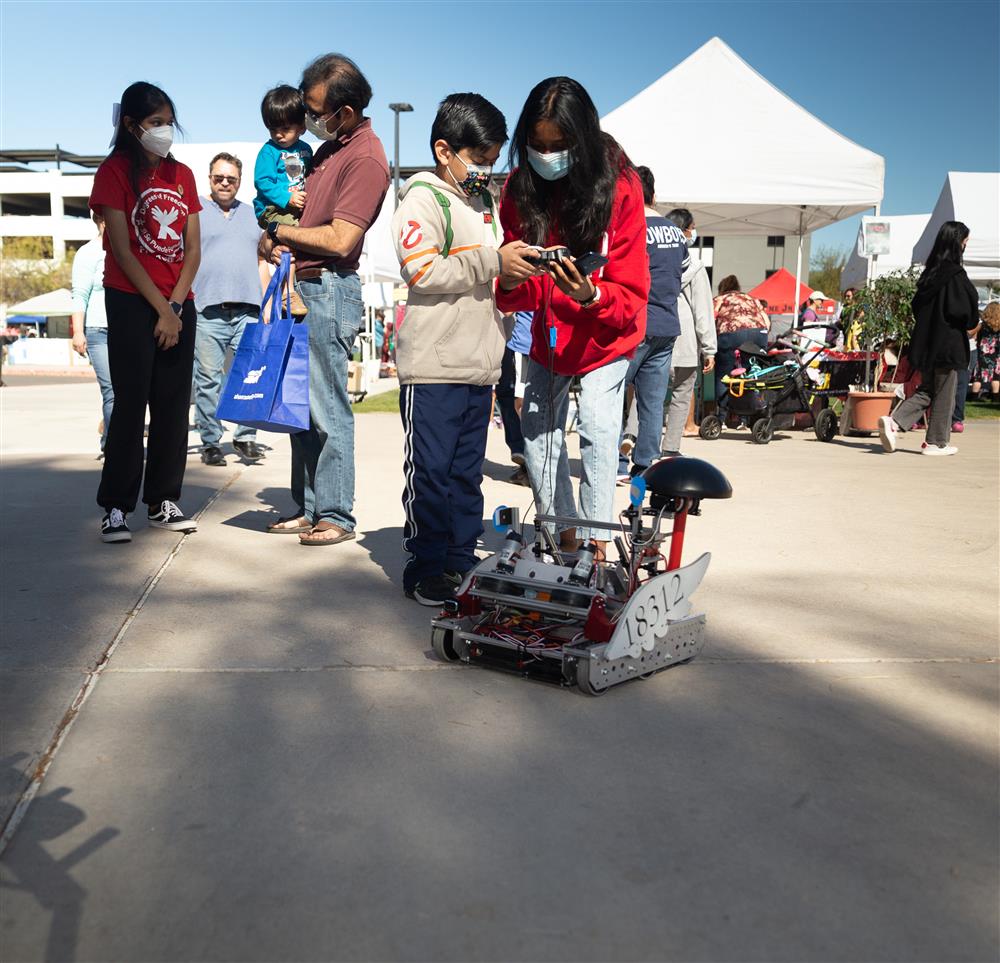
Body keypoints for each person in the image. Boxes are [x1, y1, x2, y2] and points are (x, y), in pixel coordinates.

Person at [496, 77, 650, 558]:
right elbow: (510, 289)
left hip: (605, 334)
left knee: (600, 432)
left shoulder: (620, 188)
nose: (547, 155)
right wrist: (509, 276)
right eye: (537, 145)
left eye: (559, 145)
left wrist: (591, 296)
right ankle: (561, 535)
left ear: (581, 140)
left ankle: (595, 543)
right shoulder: (519, 189)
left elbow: (632, 292)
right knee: (538, 438)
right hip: (548, 336)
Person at [391, 93, 535, 605]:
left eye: (492, 161)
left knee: (465, 474)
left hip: (480, 365)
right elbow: (422, 270)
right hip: (433, 366)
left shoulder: (485, 203)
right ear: (443, 150)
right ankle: (426, 566)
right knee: (430, 474)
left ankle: (458, 559)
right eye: (478, 160)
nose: (485, 171)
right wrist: (493, 262)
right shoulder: (422, 198)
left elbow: (491, 267)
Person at [259, 53, 389, 544]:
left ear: (346, 112)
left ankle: (335, 513)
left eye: (315, 110)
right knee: (300, 406)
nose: (307, 119)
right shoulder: (326, 151)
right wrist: (274, 234)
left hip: (329, 288)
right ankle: (308, 505)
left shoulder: (366, 157)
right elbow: (295, 219)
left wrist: (284, 232)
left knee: (328, 408)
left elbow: (338, 239)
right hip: (302, 285)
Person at [89, 81, 201, 542]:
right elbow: (122, 248)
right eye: (156, 123)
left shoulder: (183, 174)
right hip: (131, 301)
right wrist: (162, 310)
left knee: (174, 407)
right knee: (130, 405)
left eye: (169, 122)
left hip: (178, 300)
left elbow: (192, 250)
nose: (165, 131)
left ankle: (163, 501)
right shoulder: (114, 171)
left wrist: (175, 306)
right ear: (133, 126)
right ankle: (116, 507)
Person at [878, 221, 980, 456]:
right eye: (965, 241)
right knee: (945, 393)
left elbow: (917, 308)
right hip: (949, 344)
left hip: (927, 344)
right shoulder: (955, 275)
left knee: (927, 389)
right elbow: (965, 310)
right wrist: (973, 322)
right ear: (957, 243)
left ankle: (894, 422)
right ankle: (936, 442)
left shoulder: (930, 274)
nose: (966, 245)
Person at [192, 152, 265, 467]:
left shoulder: (253, 215)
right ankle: (210, 441)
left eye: (231, 179)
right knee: (207, 380)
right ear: (209, 178)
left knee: (251, 376)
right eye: (219, 178)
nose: (224, 183)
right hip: (207, 310)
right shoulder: (193, 212)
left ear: (239, 181)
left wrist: (266, 302)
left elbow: (265, 258)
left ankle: (245, 436)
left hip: (248, 310)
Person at [617, 166, 685, 480]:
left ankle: (615, 462)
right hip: (667, 325)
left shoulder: (632, 228)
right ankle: (645, 465)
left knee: (613, 394)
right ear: (654, 195)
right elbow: (681, 271)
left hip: (635, 324)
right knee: (653, 403)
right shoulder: (675, 232)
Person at [254, 85, 313, 318]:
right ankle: (288, 291)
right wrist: (287, 197)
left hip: (294, 206)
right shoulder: (268, 152)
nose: (279, 134)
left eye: (285, 128)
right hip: (272, 207)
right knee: (290, 235)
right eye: (273, 129)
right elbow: (263, 182)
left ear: (301, 127)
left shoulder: (306, 150)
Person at [661, 207, 715, 455]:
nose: (694, 232)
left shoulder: (655, 258)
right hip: (684, 340)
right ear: (683, 230)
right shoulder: (695, 265)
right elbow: (702, 309)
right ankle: (670, 449)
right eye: (692, 228)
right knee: (682, 395)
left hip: (655, 333)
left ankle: (635, 441)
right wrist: (709, 348)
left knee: (646, 395)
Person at [70, 210, 114, 455]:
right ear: (99, 220)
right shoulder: (88, 253)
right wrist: (78, 331)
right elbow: (79, 294)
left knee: (130, 392)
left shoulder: (127, 250)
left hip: (127, 330)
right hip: (99, 331)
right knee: (112, 391)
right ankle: (113, 446)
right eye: (105, 218)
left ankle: (117, 439)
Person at [713, 275, 769, 401]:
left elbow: (709, 319)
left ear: (722, 289)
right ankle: (750, 411)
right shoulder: (752, 299)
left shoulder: (720, 299)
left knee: (724, 374)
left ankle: (722, 415)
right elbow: (766, 321)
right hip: (759, 333)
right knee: (752, 373)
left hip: (731, 334)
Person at [495, 310, 533, 484]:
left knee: (518, 402)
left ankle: (526, 455)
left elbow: (507, 308)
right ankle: (527, 456)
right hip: (543, 342)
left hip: (524, 343)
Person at [972, 301, 1000, 404]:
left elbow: (974, 335)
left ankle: (974, 396)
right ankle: (995, 398)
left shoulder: (982, 325)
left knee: (979, 376)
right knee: (996, 376)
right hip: (997, 353)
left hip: (983, 352)